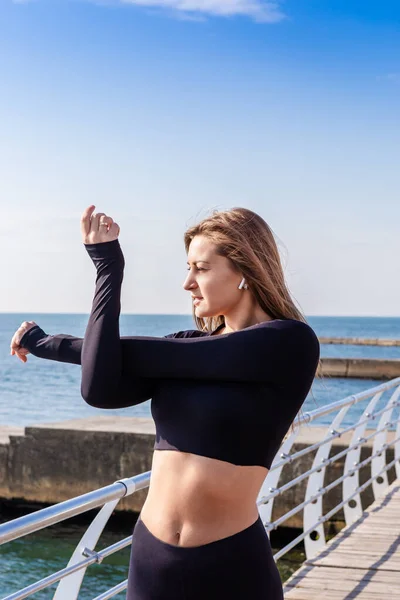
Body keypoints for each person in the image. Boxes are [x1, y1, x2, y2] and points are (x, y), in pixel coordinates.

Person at [11, 205, 320, 599]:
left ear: (245, 270)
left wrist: (46, 342)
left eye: (201, 269)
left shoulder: (288, 343)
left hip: (231, 567)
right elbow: (99, 389)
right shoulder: (187, 347)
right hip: (152, 563)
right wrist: (108, 270)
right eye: (187, 268)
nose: (187, 283)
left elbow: (145, 355)